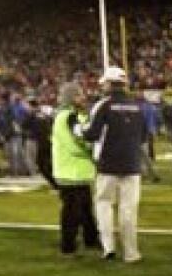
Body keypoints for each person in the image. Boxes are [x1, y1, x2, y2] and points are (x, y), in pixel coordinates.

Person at [82, 66, 147, 262]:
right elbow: (143, 136)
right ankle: (131, 252)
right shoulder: (137, 106)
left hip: (108, 164)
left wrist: (79, 130)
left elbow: (92, 134)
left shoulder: (104, 105)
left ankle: (108, 247)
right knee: (128, 210)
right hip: (132, 164)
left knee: (103, 204)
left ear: (109, 84)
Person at [51, 82, 100, 256]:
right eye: (79, 95)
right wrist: (94, 151)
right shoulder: (66, 116)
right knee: (72, 212)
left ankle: (91, 239)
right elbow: (74, 144)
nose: (83, 98)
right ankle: (68, 245)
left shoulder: (75, 115)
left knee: (86, 209)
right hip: (70, 172)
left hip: (78, 172)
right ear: (71, 98)